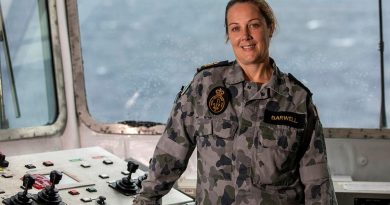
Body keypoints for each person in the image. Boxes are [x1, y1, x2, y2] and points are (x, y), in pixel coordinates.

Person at [133, 0, 338, 204]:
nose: (245, 36)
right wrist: (145, 199)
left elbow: (317, 181)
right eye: (235, 28)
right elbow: (170, 154)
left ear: (270, 27)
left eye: (254, 25)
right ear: (228, 35)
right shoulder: (205, 86)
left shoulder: (297, 99)